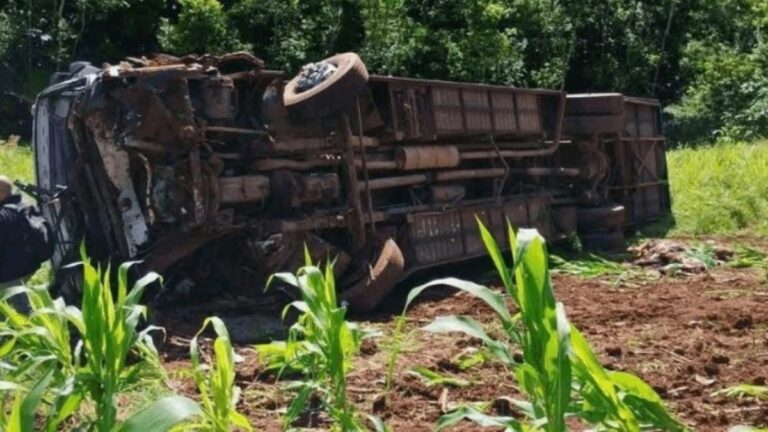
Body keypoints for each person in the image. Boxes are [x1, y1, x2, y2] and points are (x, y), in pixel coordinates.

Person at [0, 176, 54, 285]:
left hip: (12, 273)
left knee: (17, 300)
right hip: (30, 265)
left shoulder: (4, 215)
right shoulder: (23, 204)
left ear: (2, 194)